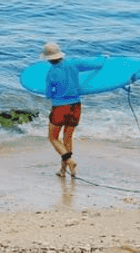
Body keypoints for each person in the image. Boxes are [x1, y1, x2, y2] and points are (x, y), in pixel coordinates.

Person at [41, 41, 105, 178]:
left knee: (52, 137)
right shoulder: (74, 64)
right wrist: (103, 58)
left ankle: (70, 160)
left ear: (48, 58)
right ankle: (65, 170)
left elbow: (48, 94)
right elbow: (96, 64)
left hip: (60, 108)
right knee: (67, 138)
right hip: (76, 106)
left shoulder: (51, 72)